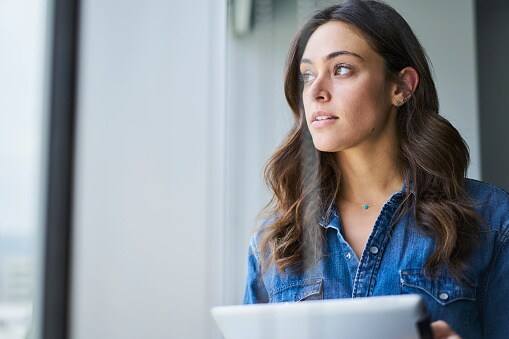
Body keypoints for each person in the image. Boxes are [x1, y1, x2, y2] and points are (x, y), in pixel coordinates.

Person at [242, 1, 509, 338]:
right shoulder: (274, 241)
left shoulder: (492, 221)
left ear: (401, 87)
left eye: (341, 69)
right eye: (307, 75)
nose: (315, 91)